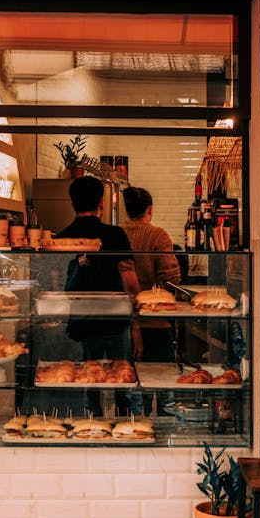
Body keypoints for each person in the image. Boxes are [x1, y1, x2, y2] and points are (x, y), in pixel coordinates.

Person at [55, 176, 140, 415]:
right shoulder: (116, 235)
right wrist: (137, 326)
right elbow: (131, 285)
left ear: (72, 204)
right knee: (122, 380)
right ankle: (126, 427)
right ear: (101, 203)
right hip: (116, 321)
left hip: (81, 324)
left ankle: (91, 427)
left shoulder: (61, 238)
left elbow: (56, 286)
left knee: (86, 380)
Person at [121, 185, 181, 413]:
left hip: (125, 322)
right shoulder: (158, 236)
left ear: (127, 210)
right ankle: (163, 430)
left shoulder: (118, 234)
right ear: (150, 209)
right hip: (157, 323)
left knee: (132, 386)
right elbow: (172, 277)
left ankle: (136, 428)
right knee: (162, 381)